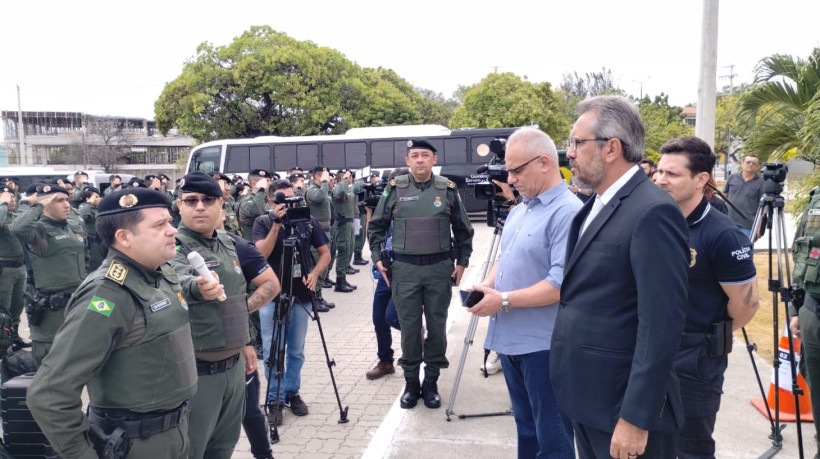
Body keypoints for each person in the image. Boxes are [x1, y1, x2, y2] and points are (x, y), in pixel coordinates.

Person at [550, 95, 690, 459]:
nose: (570, 153)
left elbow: (661, 324)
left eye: (577, 143)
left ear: (611, 148)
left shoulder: (653, 212)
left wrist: (636, 418)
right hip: (589, 400)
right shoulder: (592, 207)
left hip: (622, 411)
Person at [27, 187, 202, 459]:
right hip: (135, 444)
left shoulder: (157, 273)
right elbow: (49, 394)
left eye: (170, 221)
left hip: (175, 432)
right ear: (124, 237)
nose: (173, 230)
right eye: (160, 225)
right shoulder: (107, 295)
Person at [466, 127, 579, 458]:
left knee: (553, 438)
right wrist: (487, 284)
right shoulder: (521, 210)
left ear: (544, 162)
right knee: (527, 431)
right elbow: (505, 257)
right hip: (512, 343)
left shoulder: (567, 212)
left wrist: (500, 301)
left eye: (517, 170)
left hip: (544, 348)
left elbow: (560, 284)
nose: (510, 179)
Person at [655, 136, 759, 458]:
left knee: (691, 448)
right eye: (659, 171)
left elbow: (745, 306)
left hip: (695, 361)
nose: (660, 180)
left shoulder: (721, 234)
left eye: (672, 174)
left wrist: (704, 335)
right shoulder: (656, 221)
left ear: (701, 179)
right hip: (651, 351)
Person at [171, 171, 278, 459]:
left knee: (222, 448)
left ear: (221, 204)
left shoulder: (228, 242)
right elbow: (178, 281)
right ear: (179, 206)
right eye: (191, 200)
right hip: (198, 372)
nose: (200, 207)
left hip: (233, 367)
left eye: (208, 200)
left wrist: (244, 339)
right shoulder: (172, 245)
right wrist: (198, 287)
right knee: (194, 449)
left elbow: (235, 298)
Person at [369, 138, 474, 410]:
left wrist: (462, 262)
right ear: (407, 161)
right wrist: (378, 257)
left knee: (436, 328)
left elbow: (464, 231)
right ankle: (411, 382)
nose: (419, 160)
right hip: (404, 270)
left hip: (439, 269)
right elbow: (376, 227)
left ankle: (431, 382)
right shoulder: (394, 190)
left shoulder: (447, 190)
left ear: (434, 160)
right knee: (410, 330)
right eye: (414, 155)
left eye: (424, 155)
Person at [253, 179, 332, 425]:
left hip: (300, 294)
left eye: (292, 198)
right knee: (272, 351)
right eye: (282, 199)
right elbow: (260, 255)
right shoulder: (263, 222)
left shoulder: (307, 220)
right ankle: (274, 399)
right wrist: (276, 225)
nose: (288, 203)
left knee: (295, 351)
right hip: (270, 296)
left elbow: (325, 253)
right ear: (271, 201)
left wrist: (316, 273)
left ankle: (292, 393)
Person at [11, 183, 87, 366]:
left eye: (67, 200)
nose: (67, 204)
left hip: (78, 300)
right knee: (52, 363)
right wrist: (38, 205)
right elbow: (17, 229)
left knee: (80, 357)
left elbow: (86, 258)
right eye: (59, 201)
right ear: (46, 204)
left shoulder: (73, 226)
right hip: (51, 307)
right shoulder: (38, 231)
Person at [366, 167, 409, 381]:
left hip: (405, 270)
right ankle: (385, 361)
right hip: (386, 271)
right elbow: (374, 234)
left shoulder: (413, 207)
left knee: (392, 317)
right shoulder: (385, 209)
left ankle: (416, 341)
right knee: (378, 318)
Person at [790, 181, 820, 459]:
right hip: (814, 308)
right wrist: (795, 310)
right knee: (814, 379)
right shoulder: (816, 199)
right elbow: (800, 252)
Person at [0, 185, 30, 349]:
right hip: (4, 269)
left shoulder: (13, 216)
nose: (11, 200)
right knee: (3, 305)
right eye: (6, 197)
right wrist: (2, 205)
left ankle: (14, 336)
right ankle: (3, 340)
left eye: (12, 197)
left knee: (17, 305)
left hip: (19, 267)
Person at [304, 165, 336, 310]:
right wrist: (324, 183)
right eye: (324, 175)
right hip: (317, 232)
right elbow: (320, 197)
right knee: (317, 262)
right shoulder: (312, 190)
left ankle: (319, 295)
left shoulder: (323, 188)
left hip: (326, 230)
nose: (328, 178)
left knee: (325, 265)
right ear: (317, 176)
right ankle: (313, 297)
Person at [723, 155, 763, 238]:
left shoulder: (761, 182)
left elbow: (763, 207)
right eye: (748, 162)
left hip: (748, 225)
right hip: (728, 222)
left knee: (745, 250)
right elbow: (723, 197)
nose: (751, 164)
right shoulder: (732, 177)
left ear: (758, 167)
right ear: (742, 164)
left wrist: (759, 227)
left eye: (754, 163)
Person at [332, 168, 358, 292]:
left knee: (349, 249)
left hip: (350, 222)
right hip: (342, 224)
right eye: (348, 176)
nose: (350, 178)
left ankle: (343, 278)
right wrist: (345, 179)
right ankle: (339, 281)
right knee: (343, 250)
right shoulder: (337, 187)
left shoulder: (347, 188)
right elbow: (337, 194)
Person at [239, 169, 273, 241]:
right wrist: (261, 190)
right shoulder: (246, 200)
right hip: (253, 245)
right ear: (254, 184)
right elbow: (257, 211)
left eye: (270, 181)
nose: (270, 183)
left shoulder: (266, 199)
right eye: (266, 181)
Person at [79, 186, 106, 271]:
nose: (99, 199)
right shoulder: (83, 208)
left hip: (103, 240)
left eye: (99, 196)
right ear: (88, 199)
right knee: (95, 264)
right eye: (96, 197)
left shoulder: (100, 208)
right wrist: (89, 203)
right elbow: (83, 215)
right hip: (93, 242)